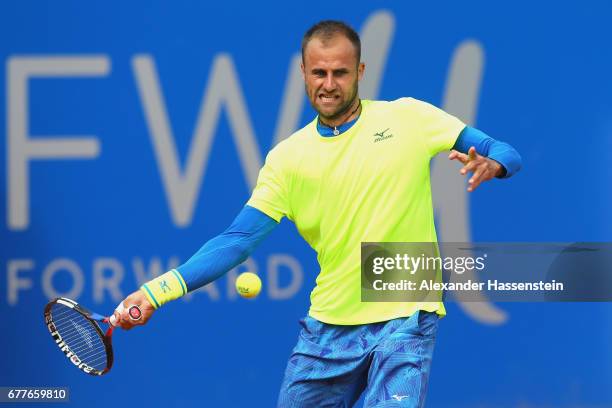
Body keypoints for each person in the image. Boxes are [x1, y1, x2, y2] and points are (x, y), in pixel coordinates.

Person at [113, 20, 521, 407]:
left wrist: (495, 164)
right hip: (327, 328)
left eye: (340, 73)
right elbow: (237, 241)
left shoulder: (409, 117)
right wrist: (155, 292)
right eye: (319, 73)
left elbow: (505, 151)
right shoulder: (287, 159)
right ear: (303, 72)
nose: (329, 85)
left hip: (407, 315)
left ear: (360, 70)